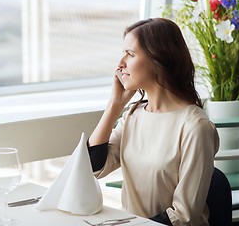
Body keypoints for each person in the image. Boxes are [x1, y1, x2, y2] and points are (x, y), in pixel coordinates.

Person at [87, 18, 219, 226]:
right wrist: (114, 105)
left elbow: (183, 217)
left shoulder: (195, 127)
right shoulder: (133, 115)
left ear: (159, 59)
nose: (120, 64)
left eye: (130, 54)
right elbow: (94, 168)